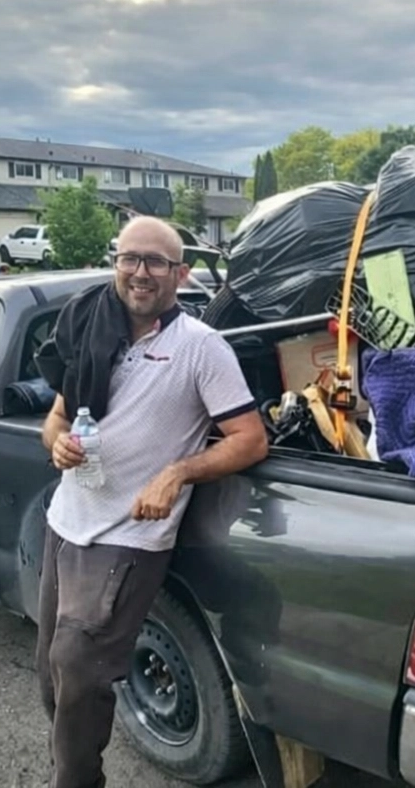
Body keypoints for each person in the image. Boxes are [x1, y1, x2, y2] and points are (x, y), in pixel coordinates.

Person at [36, 216, 267, 788]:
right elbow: (57, 418)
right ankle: (71, 765)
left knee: (79, 668)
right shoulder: (92, 330)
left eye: (156, 262)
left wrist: (177, 473)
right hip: (66, 523)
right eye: (130, 258)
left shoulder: (200, 348)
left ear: (180, 274)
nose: (140, 272)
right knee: (55, 678)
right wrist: (57, 443)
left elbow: (250, 439)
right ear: (116, 263)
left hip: (127, 538)